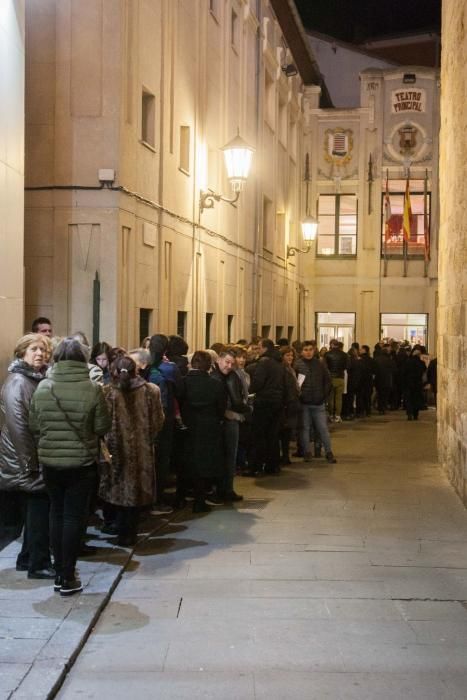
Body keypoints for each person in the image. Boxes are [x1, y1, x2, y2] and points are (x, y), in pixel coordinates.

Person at [29, 337, 111, 596]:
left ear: (57, 359)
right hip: (82, 462)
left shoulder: (43, 387)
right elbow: (102, 427)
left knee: (56, 513)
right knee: (74, 517)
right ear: (82, 359)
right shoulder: (93, 389)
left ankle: (57, 571)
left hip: (51, 462)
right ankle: (68, 575)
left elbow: (34, 426)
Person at [0, 333, 52, 579]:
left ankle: (28, 558)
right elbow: (18, 426)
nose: (40, 354)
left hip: (27, 458)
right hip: (24, 460)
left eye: (43, 350)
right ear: (22, 353)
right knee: (39, 508)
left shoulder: (33, 379)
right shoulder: (19, 382)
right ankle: (38, 563)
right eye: (34, 349)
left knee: (36, 509)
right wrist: (31, 464)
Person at [99, 356, 164, 546]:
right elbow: (158, 420)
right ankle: (131, 533)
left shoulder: (107, 392)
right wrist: (147, 438)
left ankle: (119, 531)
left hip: (115, 451)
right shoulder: (151, 391)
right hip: (142, 450)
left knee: (118, 489)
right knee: (136, 492)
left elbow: (102, 423)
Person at [179, 351, 226, 513]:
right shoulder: (215, 384)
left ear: (192, 364)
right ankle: (201, 500)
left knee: (187, 461)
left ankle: (181, 497)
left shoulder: (183, 383)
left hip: (188, 427)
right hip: (209, 427)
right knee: (205, 462)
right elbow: (221, 408)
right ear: (209, 366)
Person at [148, 334, 183, 513]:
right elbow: (180, 390)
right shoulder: (169, 368)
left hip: (145, 420)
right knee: (162, 460)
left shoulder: (143, 365)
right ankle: (158, 499)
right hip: (164, 418)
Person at [212, 350, 251, 501]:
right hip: (228, 420)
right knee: (229, 456)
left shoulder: (219, 375)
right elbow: (236, 400)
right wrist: (247, 410)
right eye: (226, 362)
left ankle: (223, 489)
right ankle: (226, 490)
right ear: (219, 360)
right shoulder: (229, 377)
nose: (229, 366)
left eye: (231, 363)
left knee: (226, 456)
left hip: (222, 420)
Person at [246, 338, 286, 475]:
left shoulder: (264, 362)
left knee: (259, 435)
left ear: (264, 348)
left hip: (264, 402)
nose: (258, 350)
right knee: (273, 435)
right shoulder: (279, 362)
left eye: (259, 347)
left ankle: (256, 466)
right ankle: (273, 465)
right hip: (277, 402)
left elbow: (258, 383)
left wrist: (248, 391)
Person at [295, 341, 336, 463]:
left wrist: (323, 396)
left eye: (310, 349)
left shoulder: (320, 364)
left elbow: (328, 381)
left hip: (319, 403)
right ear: (301, 351)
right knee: (305, 429)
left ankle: (329, 452)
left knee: (323, 428)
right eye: (305, 350)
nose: (308, 352)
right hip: (304, 403)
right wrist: (300, 397)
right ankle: (307, 452)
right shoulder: (297, 365)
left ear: (314, 351)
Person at [279, 346, 301, 465]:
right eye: (287, 355)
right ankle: (283, 456)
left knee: (287, 432)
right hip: (286, 405)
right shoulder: (283, 369)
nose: (290, 357)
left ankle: (285, 456)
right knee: (283, 432)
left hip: (291, 404)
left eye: (292, 355)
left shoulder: (291, 369)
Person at [325, 339, 349, 422]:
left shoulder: (327, 354)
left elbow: (325, 366)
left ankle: (331, 415)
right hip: (340, 378)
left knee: (331, 398)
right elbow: (346, 366)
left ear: (331, 345)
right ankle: (338, 415)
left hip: (330, 378)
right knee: (339, 398)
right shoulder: (344, 355)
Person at [402, 347, 426, 420]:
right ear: (419, 355)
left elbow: (403, 373)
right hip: (418, 384)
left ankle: (409, 414)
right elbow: (424, 372)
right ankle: (416, 415)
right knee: (416, 399)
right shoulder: (422, 363)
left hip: (408, 383)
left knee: (409, 399)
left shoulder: (407, 362)